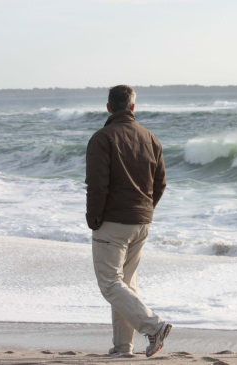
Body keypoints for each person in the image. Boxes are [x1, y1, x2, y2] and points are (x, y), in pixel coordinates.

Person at [85, 85, 171, 358]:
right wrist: (146, 210)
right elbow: (161, 183)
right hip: (141, 222)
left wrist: (93, 218)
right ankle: (123, 348)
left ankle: (154, 326)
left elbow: (97, 185)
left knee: (110, 283)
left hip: (113, 222)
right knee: (126, 285)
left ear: (109, 107)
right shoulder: (151, 138)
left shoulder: (102, 138)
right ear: (132, 107)